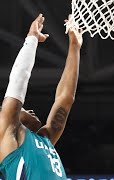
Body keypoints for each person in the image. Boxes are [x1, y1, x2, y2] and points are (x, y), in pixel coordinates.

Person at [0, 14, 83, 179]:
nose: (30, 109)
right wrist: (31, 40)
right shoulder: (8, 131)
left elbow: (65, 99)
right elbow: (18, 81)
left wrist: (75, 46)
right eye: (23, 108)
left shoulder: (44, 139)